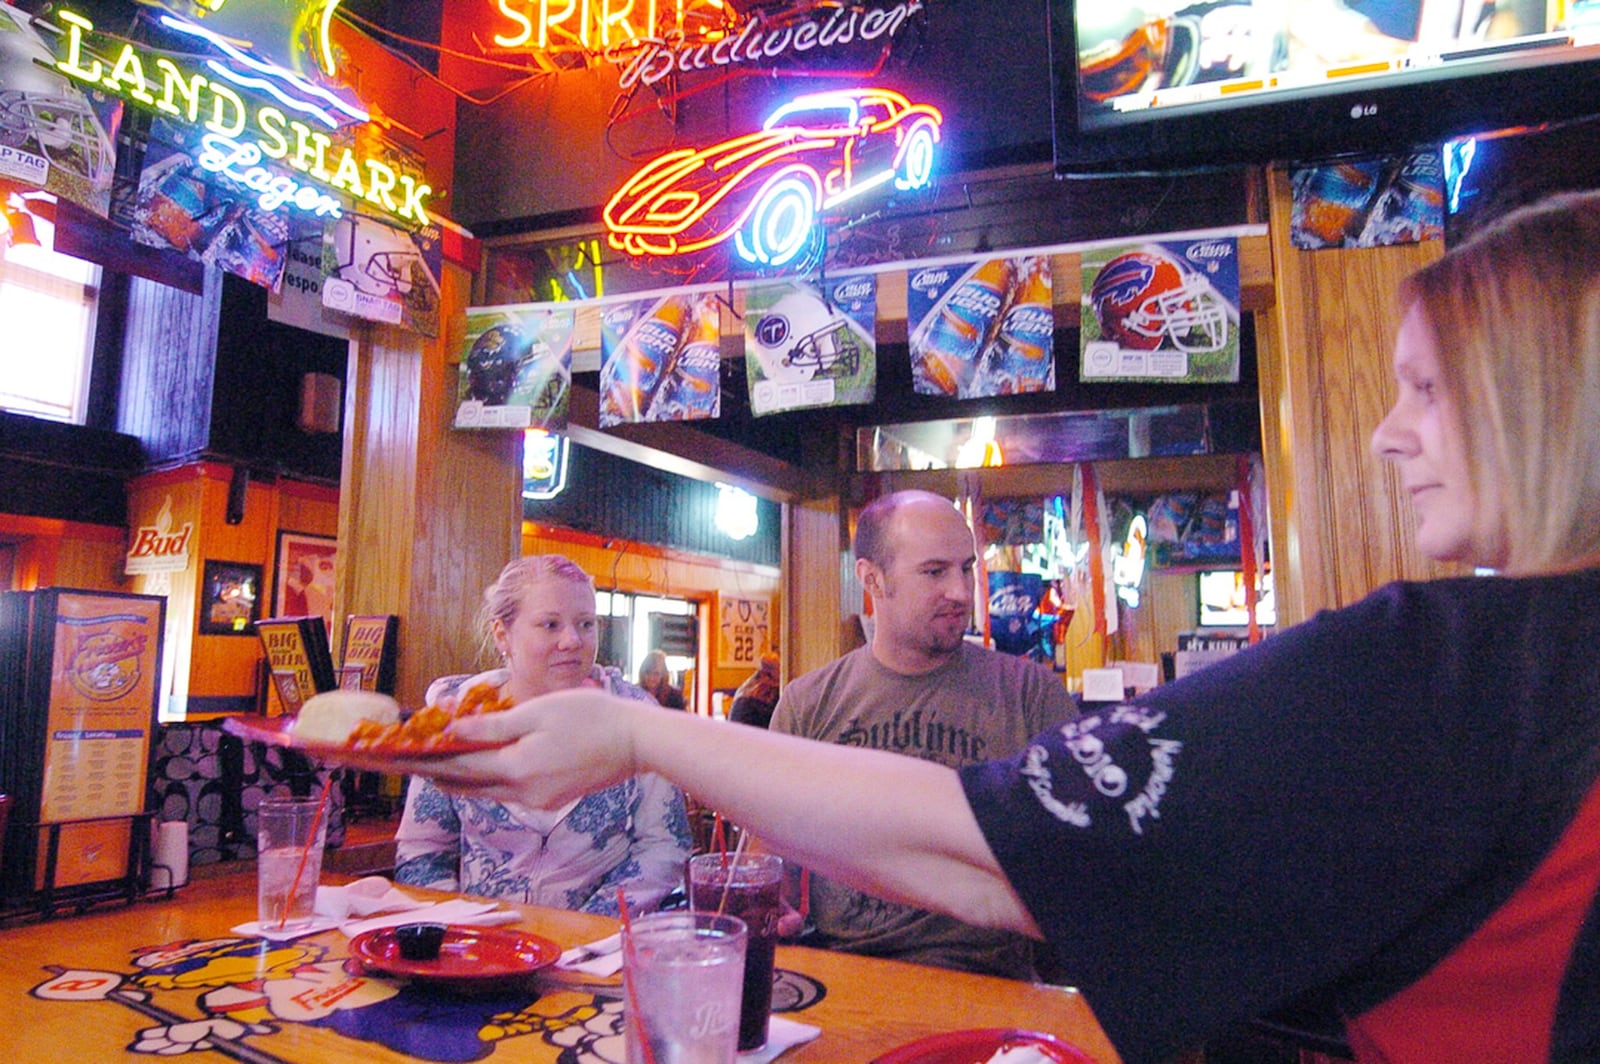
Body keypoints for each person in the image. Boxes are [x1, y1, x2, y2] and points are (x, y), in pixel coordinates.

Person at [347, 192, 1600, 1063]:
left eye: (1426, 388)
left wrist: (637, 739)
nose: (1384, 433)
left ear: (1544, 401)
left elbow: (997, 858)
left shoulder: (1444, 666)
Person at [768, 489, 1077, 979]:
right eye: (935, 572)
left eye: (967, 568)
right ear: (871, 578)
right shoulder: (809, 705)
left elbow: (1083, 865)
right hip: (843, 977)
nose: (960, 591)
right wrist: (776, 909)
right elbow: (765, 871)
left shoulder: (1029, 695)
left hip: (986, 983)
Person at [392, 555, 691, 916]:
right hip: (478, 947)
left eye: (585, 624)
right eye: (550, 625)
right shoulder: (452, 721)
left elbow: (664, 845)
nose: (572, 640)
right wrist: (459, 926)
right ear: (502, 634)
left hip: (595, 953)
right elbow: (422, 848)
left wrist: (584, 928)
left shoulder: (634, 716)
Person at [727, 651, 781, 728]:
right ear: (766, 676)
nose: (778, 684)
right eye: (777, 679)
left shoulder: (744, 691)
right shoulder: (753, 701)